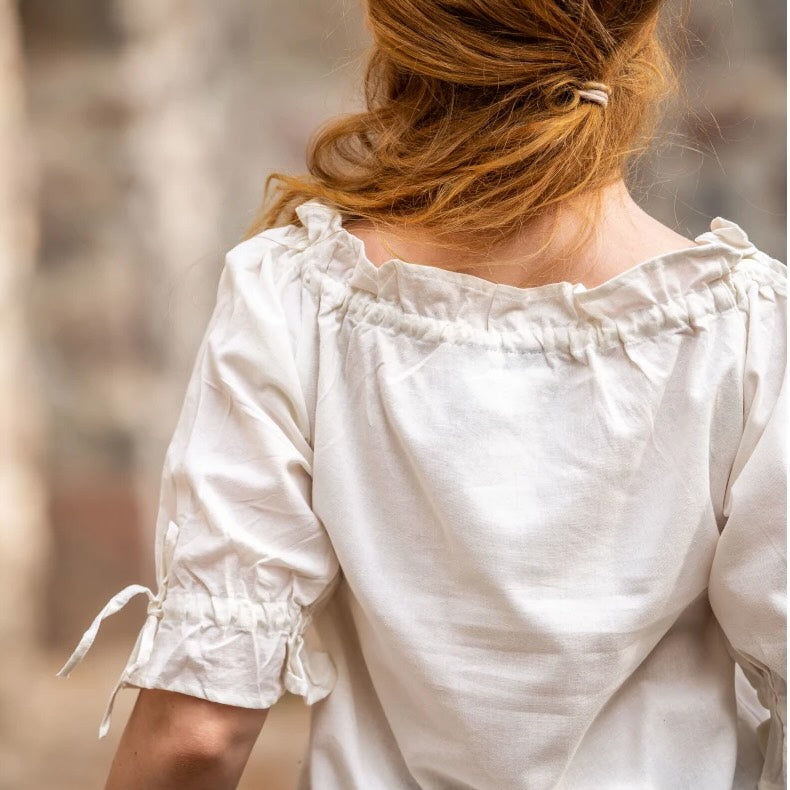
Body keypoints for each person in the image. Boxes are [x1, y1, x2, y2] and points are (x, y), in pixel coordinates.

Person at [57, 1, 787, 788]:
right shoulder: (747, 329)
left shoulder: (296, 298)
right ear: (638, 35)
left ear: (398, 32)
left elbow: (195, 734)